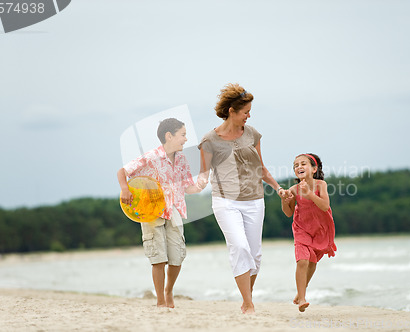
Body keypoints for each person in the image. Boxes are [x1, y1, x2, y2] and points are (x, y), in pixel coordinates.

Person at [197, 83, 285, 314]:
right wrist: (191, 188)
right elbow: (203, 174)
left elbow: (261, 168)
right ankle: (248, 303)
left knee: (255, 255)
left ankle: (247, 297)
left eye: (249, 111)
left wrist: (278, 188)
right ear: (231, 112)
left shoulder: (253, 134)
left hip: (255, 200)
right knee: (239, 246)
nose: (249, 115)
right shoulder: (209, 141)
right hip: (226, 201)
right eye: (245, 111)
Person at [117, 118, 203, 308]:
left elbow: (187, 187)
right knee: (158, 259)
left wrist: (199, 186)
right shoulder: (151, 156)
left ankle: (169, 290)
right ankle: (161, 301)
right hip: (151, 211)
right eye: (183, 135)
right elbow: (122, 171)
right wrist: (125, 189)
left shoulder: (181, 159)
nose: (185, 139)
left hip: (175, 210)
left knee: (177, 258)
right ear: (169, 136)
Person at [280, 153, 337, 312]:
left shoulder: (321, 185)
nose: (299, 167)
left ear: (314, 169)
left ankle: (300, 291)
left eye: (303, 164)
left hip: (319, 229)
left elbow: (325, 206)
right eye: (295, 165)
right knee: (303, 261)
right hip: (302, 228)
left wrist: (310, 193)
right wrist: (284, 201)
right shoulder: (294, 189)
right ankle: (302, 299)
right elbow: (288, 212)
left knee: (312, 262)